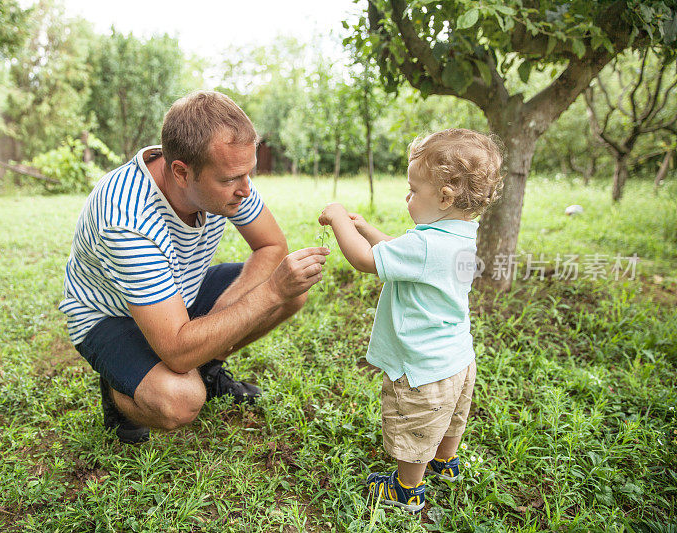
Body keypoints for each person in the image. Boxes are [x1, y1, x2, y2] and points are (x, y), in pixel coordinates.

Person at [60, 91, 329, 444]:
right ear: (182, 173)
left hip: (179, 291)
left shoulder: (226, 177)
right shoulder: (127, 219)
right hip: (109, 316)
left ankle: (207, 365)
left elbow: (271, 245)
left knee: (291, 297)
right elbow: (176, 349)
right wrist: (268, 293)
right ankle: (118, 394)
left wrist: (220, 320)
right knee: (181, 401)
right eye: (231, 179)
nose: (246, 190)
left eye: (248, 173)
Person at [318, 129, 503, 513]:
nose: (407, 198)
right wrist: (366, 227)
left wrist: (339, 220)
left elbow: (368, 261)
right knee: (450, 419)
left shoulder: (426, 245)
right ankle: (445, 463)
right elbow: (400, 252)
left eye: (413, 190)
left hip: (421, 368)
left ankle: (406, 489)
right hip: (457, 359)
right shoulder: (461, 234)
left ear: (444, 197)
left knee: (417, 428)